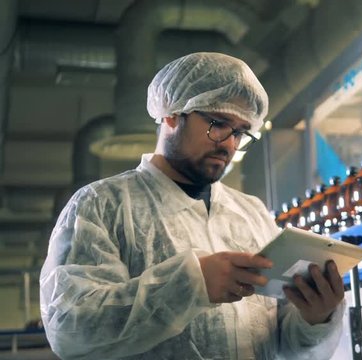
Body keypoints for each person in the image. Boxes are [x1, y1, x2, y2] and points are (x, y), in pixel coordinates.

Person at [39, 52, 345, 359]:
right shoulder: (102, 206)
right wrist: (190, 285)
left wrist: (314, 318)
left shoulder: (251, 214)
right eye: (218, 123)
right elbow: (70, 328)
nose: (228, 144)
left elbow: (282, 342)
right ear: (172, 114)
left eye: (239, 132)